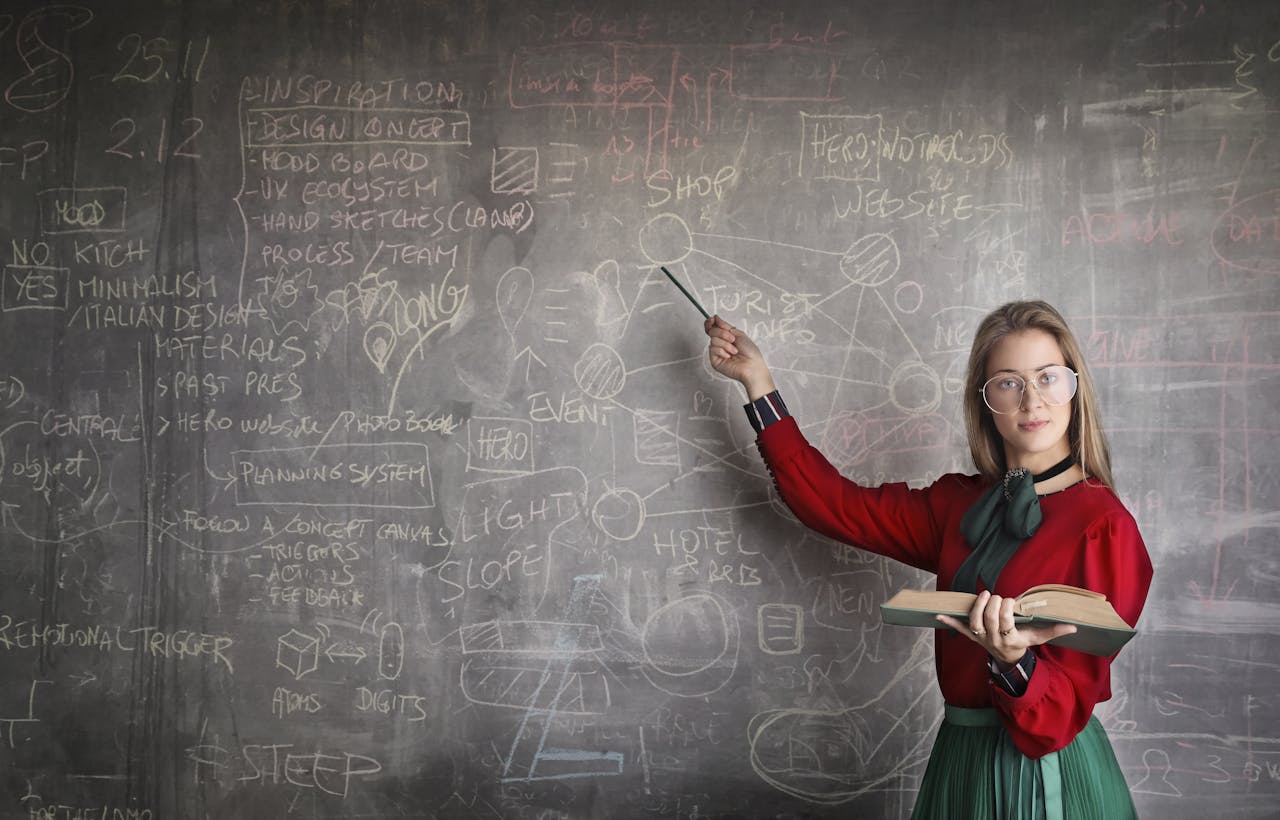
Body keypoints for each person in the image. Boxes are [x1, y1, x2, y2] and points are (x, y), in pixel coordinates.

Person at [703, 300, 1152, 819]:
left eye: (1048, 377)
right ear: (985, 402)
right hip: (958, 762)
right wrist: (759, 385)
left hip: (1045, 777)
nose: (1032, 400)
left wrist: (1015, 663)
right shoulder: (957, 505)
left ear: (1075, 388)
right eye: (1008, 382)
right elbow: (832, 506)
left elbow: (1058, 720)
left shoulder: (1104, 526)